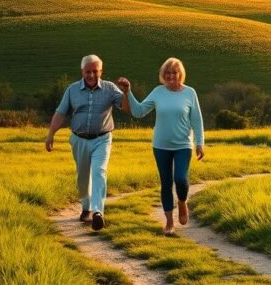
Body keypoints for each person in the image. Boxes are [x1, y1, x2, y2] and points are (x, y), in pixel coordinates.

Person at [117, 57, 205, 236]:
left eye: (174, 72)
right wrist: (128, 92)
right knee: (166, 183)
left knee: (180, 178)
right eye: (168, 72)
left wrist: (200, 143)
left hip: (183, 145)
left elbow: (196, 120)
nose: (171, 75)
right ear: (163, 75)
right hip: (161, 145)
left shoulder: (190, 93)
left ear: (180, 74)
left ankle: (182, 202)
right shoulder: (158, 92)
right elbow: (139, 111)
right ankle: (169, 223)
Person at [45, 54, 126, 231]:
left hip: (102, 138)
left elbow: (126, 107)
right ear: (82, 71)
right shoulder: (72, 90)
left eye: (95, 71)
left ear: (101, 71)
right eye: (88, 72)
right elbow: (60, 113)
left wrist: (126, 92)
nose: (91, 75)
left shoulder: (110, 88)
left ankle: (98, 212)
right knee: (83, 177)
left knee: (99, 171)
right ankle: (86, 207)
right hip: (79, 139)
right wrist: (51, 134)